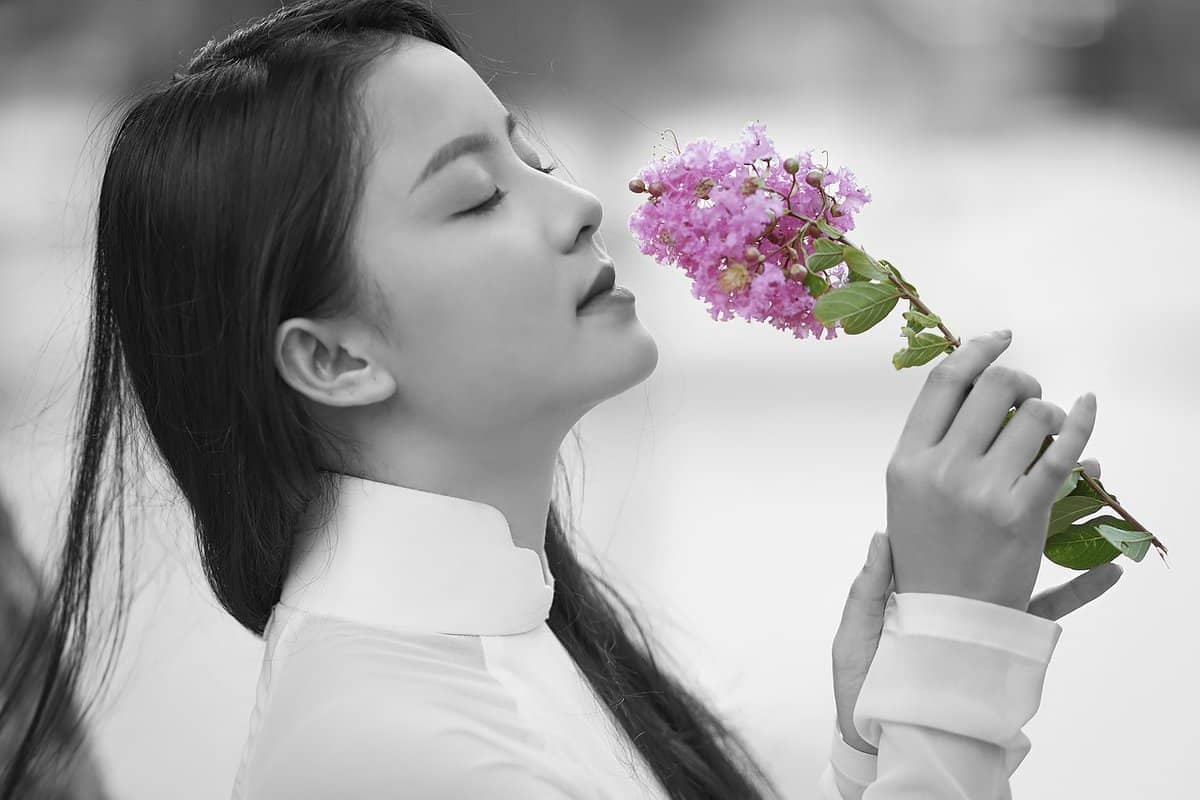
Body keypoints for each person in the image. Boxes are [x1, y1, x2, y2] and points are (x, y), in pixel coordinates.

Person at [0, 1, 1124, 797]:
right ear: (334, 360)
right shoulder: (393, 750)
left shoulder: (502, 647)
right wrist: (946, 690)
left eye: (531, 154)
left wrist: (878, 737)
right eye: (478, 196)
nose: (580, 204)